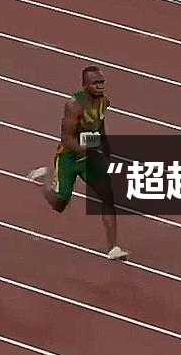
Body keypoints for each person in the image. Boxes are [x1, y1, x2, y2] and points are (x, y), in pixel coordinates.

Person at [25, 66, 128, 260]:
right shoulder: (74, 106)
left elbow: (100, 125)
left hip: (89, 154)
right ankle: (44, 180)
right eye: (95, 83)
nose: (100, 86)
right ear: (84, 85)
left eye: (101, 82)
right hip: (69, 157)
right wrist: (85, 150)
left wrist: (105, 147)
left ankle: (113, 247)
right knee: (59, 204)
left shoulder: (104, 102)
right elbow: (66, 138)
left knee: (107, 195)